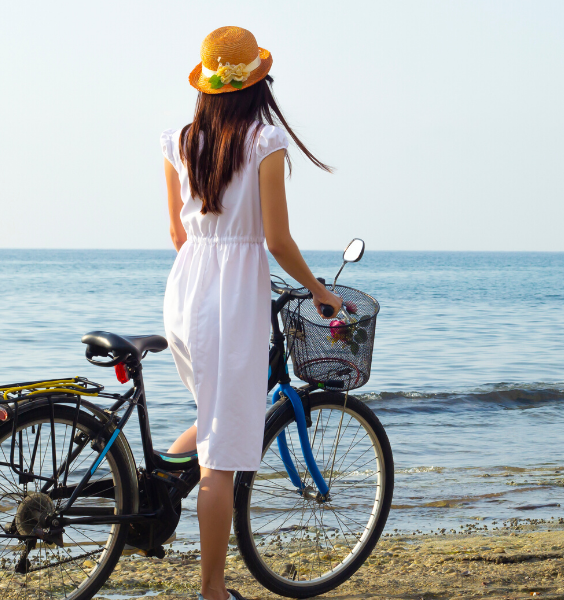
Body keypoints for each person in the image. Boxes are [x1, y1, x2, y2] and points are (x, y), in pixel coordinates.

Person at [158, 26, 342, 600]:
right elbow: (277, 240)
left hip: (185, 292)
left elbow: (175, 233)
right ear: (257, 82)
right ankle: (213, 592)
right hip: (233, 300)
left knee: (214, 417)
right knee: (223, 461)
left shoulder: (180, 140)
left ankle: (153, 494)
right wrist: (317, 290)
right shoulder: (264, 141)